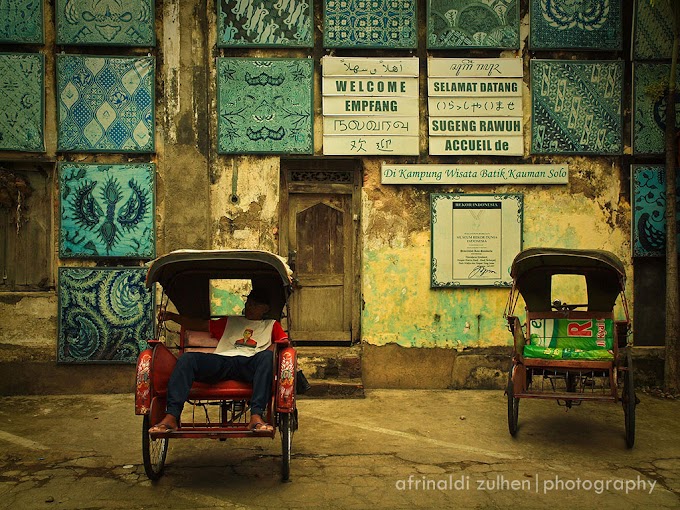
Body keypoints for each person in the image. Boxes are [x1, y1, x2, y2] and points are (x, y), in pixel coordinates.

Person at [148, 288, 288, 433]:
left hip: (251, 364)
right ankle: (172, 415)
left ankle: (256, 415)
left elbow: (282, 343)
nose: (248, 307)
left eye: (254, 305)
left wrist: (268, 349)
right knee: (187, 359)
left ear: (265, 309)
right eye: (248, 303)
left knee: (266, 357)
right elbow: (198, 324)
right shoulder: (230, 322)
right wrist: (172, 316)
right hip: (223, 361)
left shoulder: (271, 325)